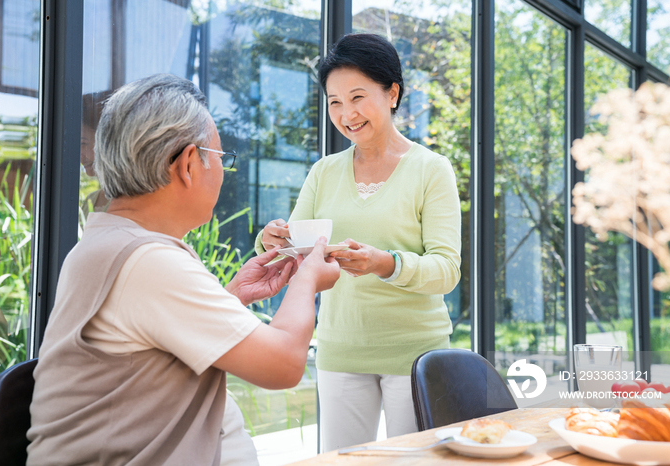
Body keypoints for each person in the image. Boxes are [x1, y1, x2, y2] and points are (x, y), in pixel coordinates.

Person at [26, 74, 340, 466]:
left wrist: (232, 297)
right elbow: (284, 365)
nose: (223, 171)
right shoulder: (147, 262)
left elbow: (150, 343)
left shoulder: (111, 243)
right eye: (222, 158)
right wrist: (307, 277)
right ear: (190, 163)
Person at [258, 33, 462, 451]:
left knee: (414, 463)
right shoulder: (324, 172)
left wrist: (385, 264)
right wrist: (271, 241)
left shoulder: (431, 170)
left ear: (392, 93)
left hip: (416, 358)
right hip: (340, 352)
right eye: (334, 102)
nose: (346, 114)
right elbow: (298, 254)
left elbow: (447, 270)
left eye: (357, 97)